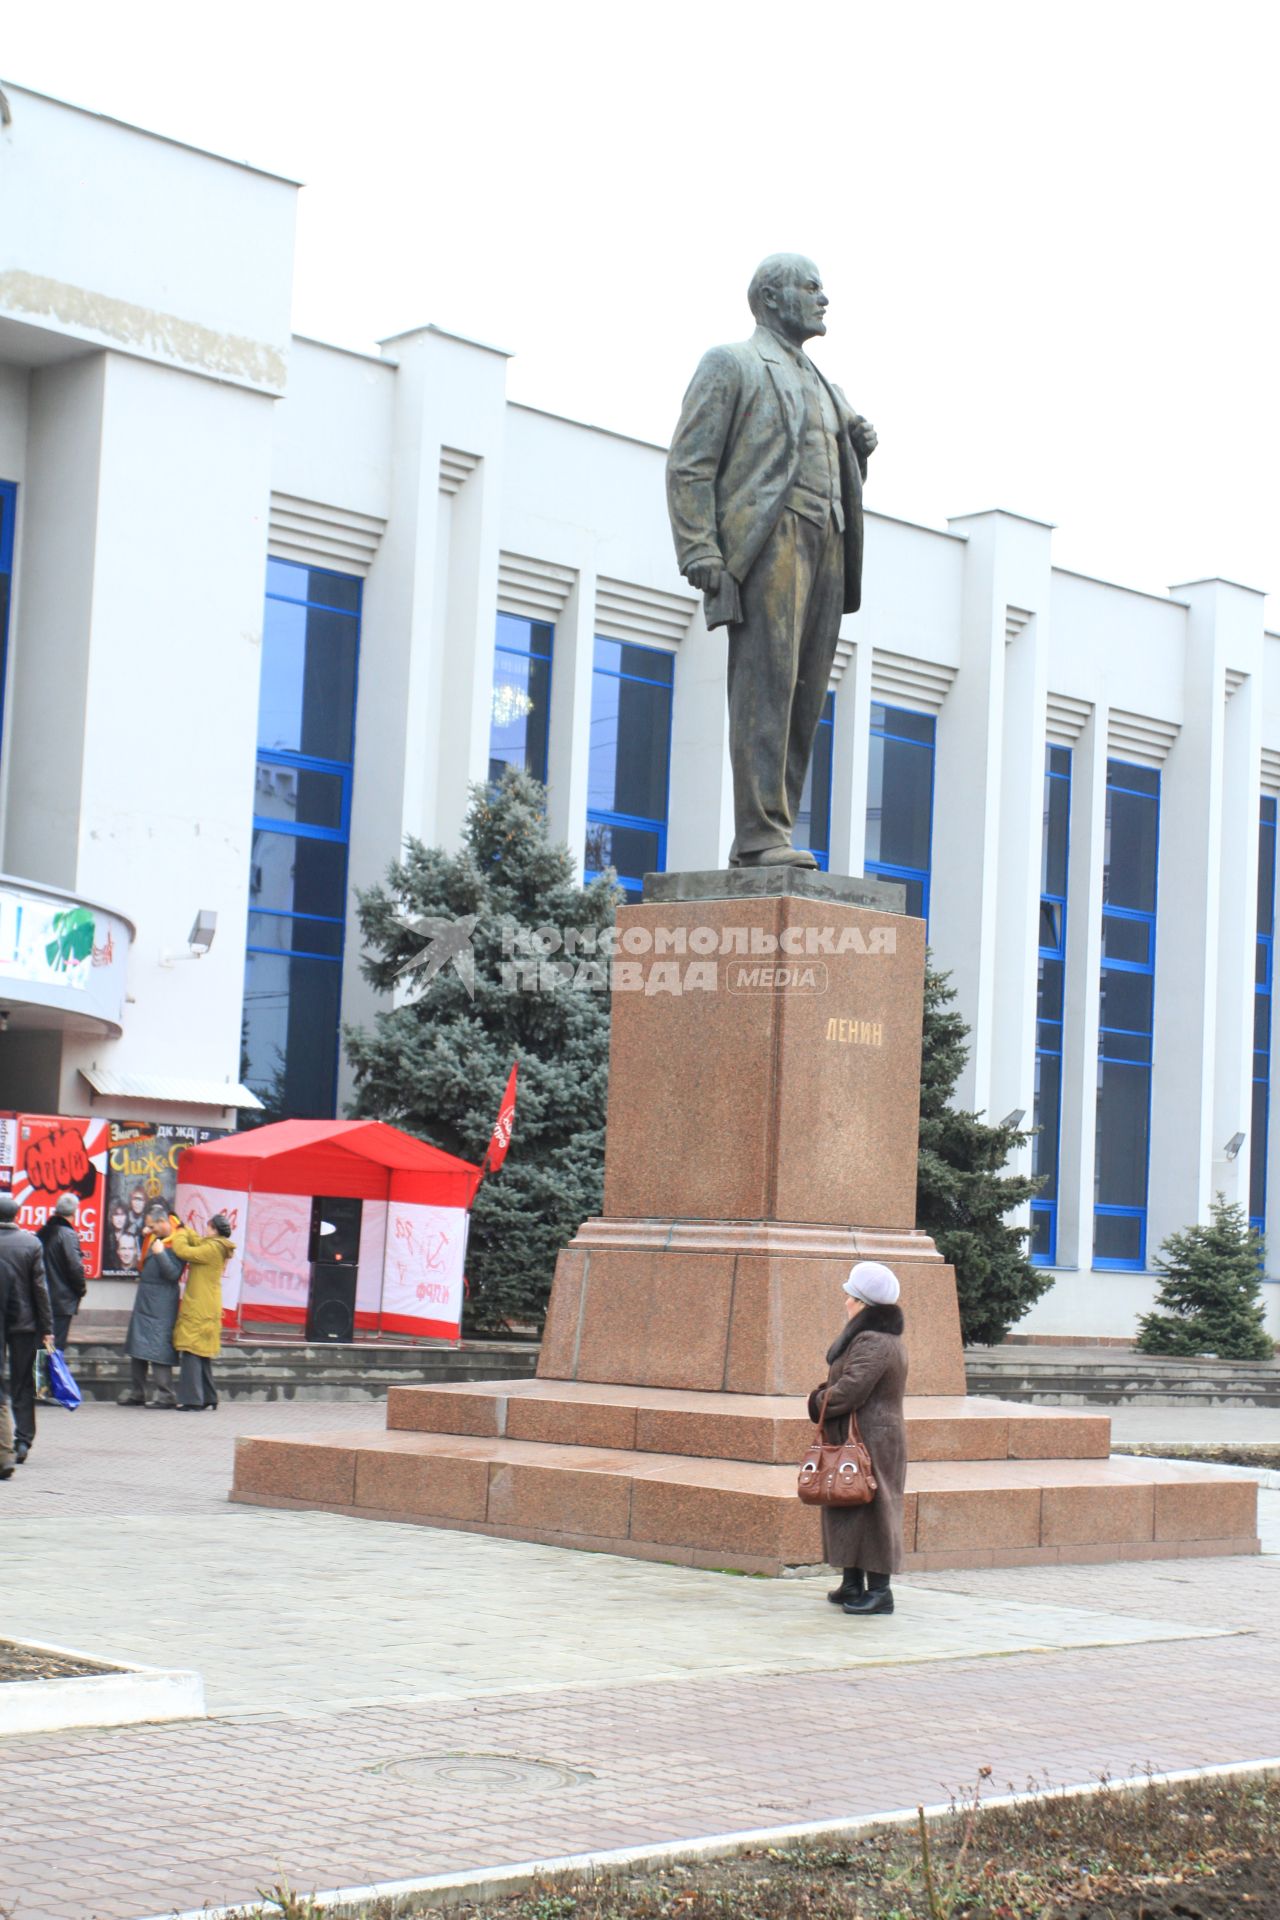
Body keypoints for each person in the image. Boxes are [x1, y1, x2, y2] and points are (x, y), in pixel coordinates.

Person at [667, 254, 877, 867]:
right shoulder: (731, 363)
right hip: (772, 538)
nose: (824, 298)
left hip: (830, 541)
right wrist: (701, 548)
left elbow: (831, 465)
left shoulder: (826, 386)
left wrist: (858, 450)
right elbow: (690, 463)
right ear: (773, 297)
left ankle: (772, 830)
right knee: (767, 684)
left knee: (805, 693)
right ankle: (760, 833)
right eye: (812, 287)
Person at [807, 1260, 908, 1617]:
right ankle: (852, 1582)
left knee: (874, 1509)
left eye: (850, 1295)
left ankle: (880, 1592)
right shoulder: (868, 1337)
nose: (845, 1301)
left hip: (874, 1439)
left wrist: (818, 1401)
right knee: (848, 1503)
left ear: (863, 1303)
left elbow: (851, 1390)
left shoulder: (874, 1341)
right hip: (861, 1436)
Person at [0, 1194, 50, 1480]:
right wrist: (47, 1327)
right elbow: (40, 1290)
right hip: (24, 1323)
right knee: (22, 1383)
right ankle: (22, 1440)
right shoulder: (31, 1243)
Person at [119, 1204, 183, 1408]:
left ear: (162, 1222)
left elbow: (174, 1274)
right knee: (137, 1347)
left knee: (158, 1348)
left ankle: (166, 1395)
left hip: (162, 1302)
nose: (149, 1230)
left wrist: (161, 1253)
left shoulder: (178, 1241)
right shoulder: (154, 1238)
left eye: (151, 1226)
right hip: (146, 1298)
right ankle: (137, 1392)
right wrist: (147, 1237)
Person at [171, 1214, 235, 1410]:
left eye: (207, 1227)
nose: (205, 1231)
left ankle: (193, 1400)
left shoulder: (212, 1248)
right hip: (206, 1306)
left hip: (200, 1307)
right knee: (201, 1354)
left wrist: (180, 1233)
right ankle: (208, 1396)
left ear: (214, 1229)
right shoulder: (216, 1245)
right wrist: (186, 1228)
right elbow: (198, 1240)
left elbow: (183, 1251)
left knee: (191, 1351)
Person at [36, 1193, 87, 1351]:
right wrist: (81, 1290)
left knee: (41, 1346)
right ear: (74, 1213)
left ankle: (38, 1376)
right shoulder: (68, 1235)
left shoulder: (42, 1232)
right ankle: (50, 1376)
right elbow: (74, 1267)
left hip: (40, 1298)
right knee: (54, 1349)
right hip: (61, 1301)